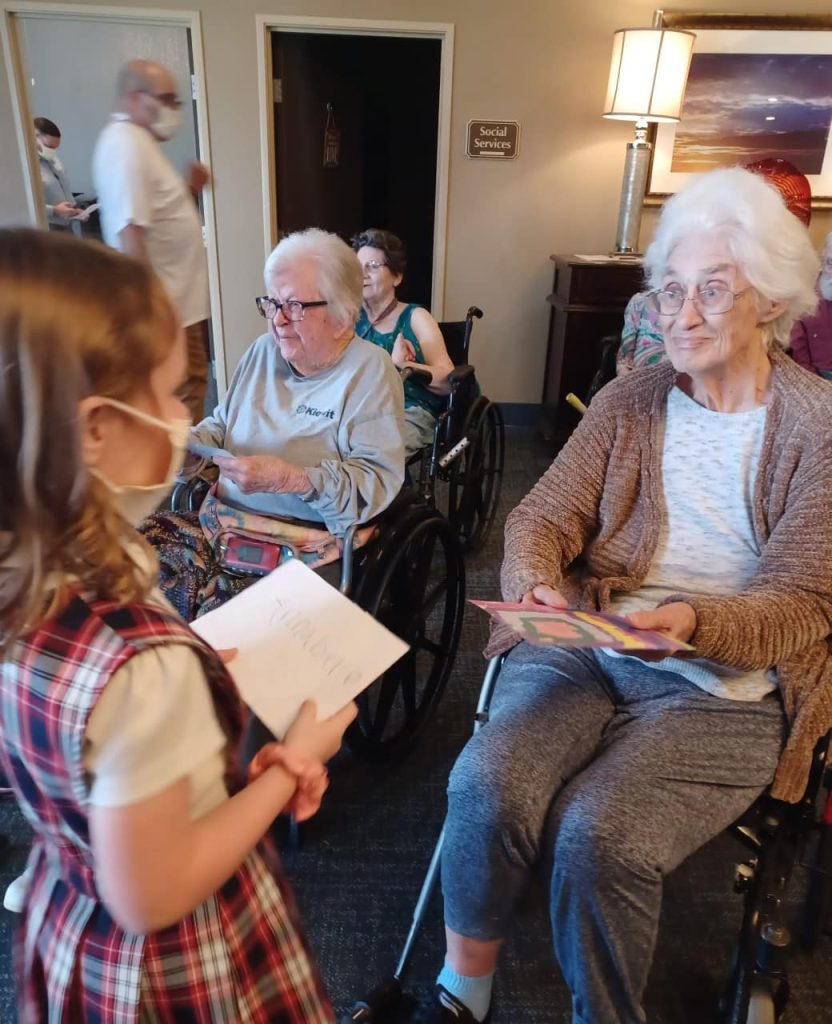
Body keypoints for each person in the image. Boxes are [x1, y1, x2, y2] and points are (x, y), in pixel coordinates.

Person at [419, 167, 832, 1024]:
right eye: (671, 289)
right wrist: (537, 583)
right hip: (591, 649)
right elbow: (542, 514)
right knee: (486, 783)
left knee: (600, 833)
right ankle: (464, 989)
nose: (682, 314)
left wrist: (692, 622)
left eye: (712, 289)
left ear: (770, 298)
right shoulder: (630, 399)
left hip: (725, 688)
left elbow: (802, 601)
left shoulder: (818, 426)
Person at [0, 227, 356, 1021]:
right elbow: (155, 893)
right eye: (169, 395)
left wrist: (183, 658)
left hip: (73, 908)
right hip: (172, 958)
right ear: (95, 427)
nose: (180, 417)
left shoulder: (33, 574)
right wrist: (291, 762)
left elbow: (81, 724)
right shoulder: (142, 668)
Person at [142, 227, 405, 623]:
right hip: (222, 524)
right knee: (132, 565)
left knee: (224, 622)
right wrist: (187, 448)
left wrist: (291, 480)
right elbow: (224, 425)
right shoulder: (262, 352)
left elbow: (374, 483)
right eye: (272, 303)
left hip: (304, 543)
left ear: (341, 315)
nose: (278, 320)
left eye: (294, 306)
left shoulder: (370, 371)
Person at [92, 58, 212, 422]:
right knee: (184, 388)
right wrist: (152, 309)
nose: (173, 110)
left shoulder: (139, 145)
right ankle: (183, 457)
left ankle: (183, 452)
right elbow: (129, 232)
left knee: (188, 384)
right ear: (134, 97)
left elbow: (157, 218)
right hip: (167, 307)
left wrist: (191, 189)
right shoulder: (126, 147)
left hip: (178, 303)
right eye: (166, 99)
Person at [352, 229, 454, 455]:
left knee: (372, 452)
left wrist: (405, 365)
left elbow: (448, 380)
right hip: (361, 410)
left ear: (397, 276)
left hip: (410, 411)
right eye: (358, 267)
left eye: (372, 266)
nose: (363, 274)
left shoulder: (416, 317)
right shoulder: (350, 320)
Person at [789, 232, 832, 379]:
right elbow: (797, 347)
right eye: (831, 263)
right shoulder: (804, 295)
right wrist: (813, 380)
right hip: (815, 375)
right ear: (822, 259)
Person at [33, 117, 80, 231]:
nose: (52, 151)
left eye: (55, 148)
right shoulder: (27, 166)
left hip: (66, 224)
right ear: (34, 137)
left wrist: (75, 209)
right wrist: (55, 210)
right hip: (47, 227)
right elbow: (26, 204)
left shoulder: (53, 158)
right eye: (49, 146)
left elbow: (64, 188)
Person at [615, 289, 667, 375]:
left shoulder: (688, 304)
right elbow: (623, 359)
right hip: (638, 375)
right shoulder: (639, 300)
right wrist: (626, 375)